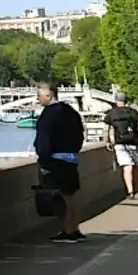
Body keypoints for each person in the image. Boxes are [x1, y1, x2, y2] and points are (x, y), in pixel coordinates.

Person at [34, 82, 85, 242]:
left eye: (39, 96)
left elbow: (44, 139)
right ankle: (74, 229)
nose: (38, 99)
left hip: (56, 159)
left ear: (48, 95)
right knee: (70, 196)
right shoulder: (70, 112)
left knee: (61, 197)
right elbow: (80, 134)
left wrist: (44, 162)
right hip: (71, 158)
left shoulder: (48, 115)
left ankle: (68, 231)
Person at [103, 87, 138, 200]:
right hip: (134, 142)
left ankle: (130, 191)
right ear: (126, 100)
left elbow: (106, 129)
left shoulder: (111, 113)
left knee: (127, 167)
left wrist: (107, 141)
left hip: (120, 144)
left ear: (116, 101)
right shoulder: (133, 112)